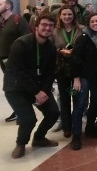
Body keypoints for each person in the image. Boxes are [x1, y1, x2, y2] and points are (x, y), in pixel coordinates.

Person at [4, 14, 59, 159]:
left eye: (50, 26)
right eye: (44, 25)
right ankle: (21, 143)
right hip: (16, 88)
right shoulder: (21, 44)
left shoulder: (51, 48)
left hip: (38, 86)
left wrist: (44, 92)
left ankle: (39, 138)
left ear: (53, 29)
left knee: (53, 112)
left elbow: (50, 73)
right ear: (36, 27)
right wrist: (36, 92)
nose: (47, 28)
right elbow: (18, 72)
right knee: (29, 119)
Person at [70, 13, 97, 150]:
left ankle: (90, 127)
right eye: (92, 21)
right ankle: (76, 135)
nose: (95, 24)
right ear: (88, 23)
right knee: (80, 104)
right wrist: (76, 79)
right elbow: (74, 59)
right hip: (83, 76)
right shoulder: (83, 38)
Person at [51, 4, 83, 138]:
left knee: (76, 98)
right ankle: (66, 126)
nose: (67, 17)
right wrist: (60, 51)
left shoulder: (80, 30)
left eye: (69, 14)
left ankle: (76, 125)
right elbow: (50, 48)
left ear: (74, 16)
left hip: (77, 71)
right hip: (62, 70)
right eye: (64, 14)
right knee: (64, 99)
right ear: (60, 16)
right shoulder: (55, 31)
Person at [0, 0, 31, 123]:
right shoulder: (3, 22)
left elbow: (27, 38)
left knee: (15, 86)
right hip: (4, 60)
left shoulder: (18, 20)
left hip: (15, 61)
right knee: (11, 86)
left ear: (8, 6)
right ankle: (19, 110)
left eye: (0, 4)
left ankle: (22, 111)